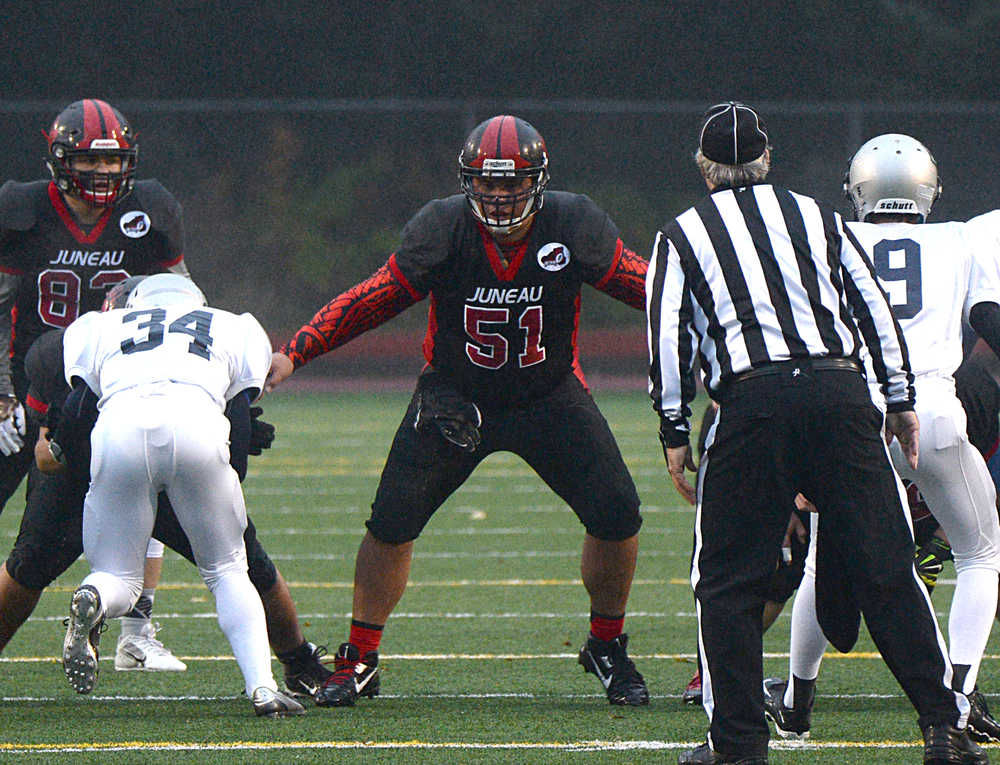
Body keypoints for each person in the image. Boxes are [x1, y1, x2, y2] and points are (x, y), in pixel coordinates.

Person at [266, 115, 650, 708]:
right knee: (391, 521)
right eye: (487, 183)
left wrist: (722, 317)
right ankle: (360, 655)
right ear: (469, 182)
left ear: (538, 181)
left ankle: (605, 645)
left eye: (512, 183)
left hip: (548, 393)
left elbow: (649, 288)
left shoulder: (573, 223)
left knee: (618, 512)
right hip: (455, 396)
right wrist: (297, 351)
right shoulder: (444, 228)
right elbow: (374, 299)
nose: (499, 197)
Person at [647, 102, 985, 764]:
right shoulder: (815, 217)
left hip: (753, 404)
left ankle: (738, 743)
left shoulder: (682, 233)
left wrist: (673, 426)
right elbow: (871, 306)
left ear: (704, 169)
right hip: (839, 395)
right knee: (888, 569)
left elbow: (666, 333)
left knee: (727, 582)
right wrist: (899, 399)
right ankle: (943, 725)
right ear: (766, 160)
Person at [763, 135, 1000, 747]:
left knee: (823, 557)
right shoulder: (962, 239)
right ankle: (958, 695)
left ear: (859, 189)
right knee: (979, 552)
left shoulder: (829, 234)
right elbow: (989, 321)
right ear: (929, 190)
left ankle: (796, 701)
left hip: (852, 412)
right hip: (934, 409)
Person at [0, 278, 332, 696]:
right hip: (137, 461)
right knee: (239, 567)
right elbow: (47, 453)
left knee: (41, 568)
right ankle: (292, 668)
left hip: (114, 458)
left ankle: (297, 659)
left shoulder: (86, 337)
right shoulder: (225, 328)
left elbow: (52, 448)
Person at [0, 98, 190, 516]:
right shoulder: (21, 209)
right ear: (61, 160)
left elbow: (182, 304)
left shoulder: (149, 208)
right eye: (89, 159)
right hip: (28, 382)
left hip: (110, 388)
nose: (103, 171)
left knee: (66, 524)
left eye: (112, 160)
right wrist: (2, 394)